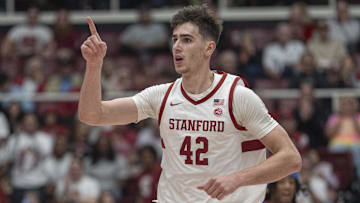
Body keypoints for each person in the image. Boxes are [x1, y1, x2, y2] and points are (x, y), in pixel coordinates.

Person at [78, 5, 302, 202]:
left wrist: (237, 179)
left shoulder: (237, 96)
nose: (177, 46)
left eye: (186, 40)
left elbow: (290, 159)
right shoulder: (162, 96)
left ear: (209, 48)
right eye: (174, 39)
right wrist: (94, 65)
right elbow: (92, 115)